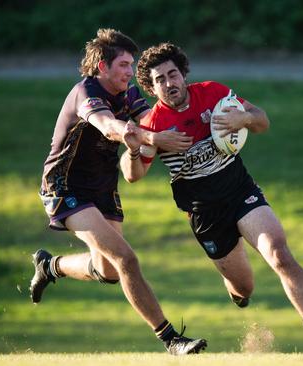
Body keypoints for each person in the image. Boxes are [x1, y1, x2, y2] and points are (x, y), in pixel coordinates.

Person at [121, 42, 303, 355]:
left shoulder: (213, 93)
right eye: (160, 80)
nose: (169, 83)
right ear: (150, 86)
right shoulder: (154, 124)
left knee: (278, 253)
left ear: (183, 74)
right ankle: (237, 292)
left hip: (240, 192)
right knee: (244, 287)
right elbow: (133, 175)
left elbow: (262, 119)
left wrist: (244, 119)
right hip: (205, 214)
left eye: (173, 74)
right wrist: (135, 147)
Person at [29, 30, 206, 355]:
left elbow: (150, 120)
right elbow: (110, 127)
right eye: (124, 65)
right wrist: (148, 138)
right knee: (126, 259)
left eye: (131, 65)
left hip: (103, 188)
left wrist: (202, 120)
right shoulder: (87, 92)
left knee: (109, 271)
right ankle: (171, 339)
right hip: (65, 187)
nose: (129, 71)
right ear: (101, 66)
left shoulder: (129, 93)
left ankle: (50, 267)